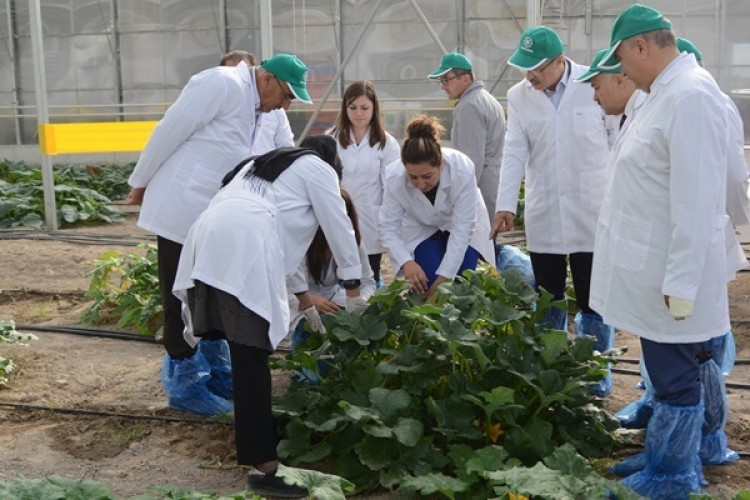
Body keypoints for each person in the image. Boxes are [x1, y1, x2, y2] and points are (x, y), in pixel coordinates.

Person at [173, 135, 365, 497]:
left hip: (210, 234)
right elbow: (339, 224)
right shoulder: (318, 167)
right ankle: (265, 468)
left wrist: (304, 300)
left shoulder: (260, 166)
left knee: (245, 352)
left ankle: (257, 457)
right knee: (252, 357)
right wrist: (353, 289)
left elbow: (282, 240)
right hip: (246, 239)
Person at [591, 5, 731, 497]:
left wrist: (682, 281)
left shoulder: (689, 97)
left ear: (641, 48)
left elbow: (696, 201)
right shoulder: (663, 95)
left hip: (672, 272)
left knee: (674, 376)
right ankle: (665, 458)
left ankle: (673, 474)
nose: (621, 74)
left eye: (622, 62)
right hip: (653, 267)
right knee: (671, 366)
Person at [126, 53, 312, 416]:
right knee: (178, 297)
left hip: (213, 214)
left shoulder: (262, 108)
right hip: (182, 207)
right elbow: (170, 130)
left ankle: (214, 370)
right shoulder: (221, 84)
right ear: (269, 79)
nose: (286, 105)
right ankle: (186, 384)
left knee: (209, 290)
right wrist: (140, 181)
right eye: (288, 95)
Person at [490, 26, 617, 397]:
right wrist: (504, 204)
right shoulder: (519, 95)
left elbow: (615, 137)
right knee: (549, 293)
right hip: (547, 208)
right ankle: (551, 373)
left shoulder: (594, 84)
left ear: (559, 61)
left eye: (537, 69)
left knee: (593, 296)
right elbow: (514, 151)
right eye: (525, 68)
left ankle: (594, 378)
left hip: (593, 207)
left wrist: (619, 198)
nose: (530, 76)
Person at [379, 115, 495, 300]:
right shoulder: (394, 176)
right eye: (413, 177)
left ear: (440, 164)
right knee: (425, 281)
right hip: (422, 225)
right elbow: (388, 226)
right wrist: (406, 262)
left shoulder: (461, 168)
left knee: (461, 282)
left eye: (427, 176)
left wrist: (445, 278)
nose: (420, 184)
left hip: (461, 224)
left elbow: (462, 228)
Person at [287, 189, 377, 381]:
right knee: (309, 373)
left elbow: (368, 280)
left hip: (333, 297)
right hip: (295, 301)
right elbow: (283, 287)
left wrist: (359, 302)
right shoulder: (301, 241)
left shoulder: (353, 240)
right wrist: (309, 300)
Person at [329, 80, 400, 286]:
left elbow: (392, 189)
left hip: (371, 219)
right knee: (341, 274)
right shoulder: (331, 138)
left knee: (371, 274)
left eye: (364, 108)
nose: (358, 113)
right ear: (345, 108)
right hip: (340, 215)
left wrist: (391, 224)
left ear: (374, 108)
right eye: (352, 107)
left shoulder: (387, 143)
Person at [428, 52, 506, 218]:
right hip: (492, 180)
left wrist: (461, 196)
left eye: (446, 79)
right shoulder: (485, 99)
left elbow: (471, 159)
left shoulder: (469, 105)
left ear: (465, 78)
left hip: (480, 185)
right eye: (441, 81)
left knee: (476, 239)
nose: (443, 86)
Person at [220, 50, 295, 155]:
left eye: (243, 71)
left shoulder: (275, 108)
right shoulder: (222, 101)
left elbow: (286, 145)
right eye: (231, 72)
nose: (238, 78)